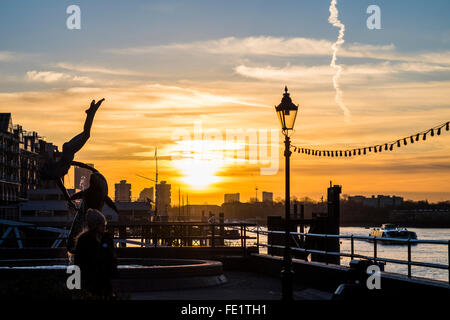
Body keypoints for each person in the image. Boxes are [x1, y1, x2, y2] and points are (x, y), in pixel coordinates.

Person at [39, 99, 104, 181]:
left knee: (86, 134)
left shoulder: (57, 173)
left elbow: (77, 164)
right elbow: (77, 164)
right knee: (85, 133)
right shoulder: (57, 171)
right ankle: (90, 112)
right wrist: (90, 169)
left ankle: (91, 112)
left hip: (69, 151)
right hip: (67, 148)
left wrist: (90, 169)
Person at [67, 170, 119, 253]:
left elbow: (76, 196)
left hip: (87, 216)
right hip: (92, 215)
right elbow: (110, 203)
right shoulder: (99, 193)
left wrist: (70, 198)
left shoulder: (87, 192)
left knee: (81, 233)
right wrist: (116, 210)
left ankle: (75, 247)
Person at [74, 209, 118, 298]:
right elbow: (79, 262)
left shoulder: (106, 238)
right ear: (95, 225)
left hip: (104, 278)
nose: (104, 227)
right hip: (91, 278)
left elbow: (112, 256)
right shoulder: (84, 240)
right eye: (103, 225)